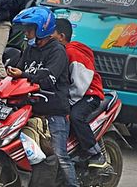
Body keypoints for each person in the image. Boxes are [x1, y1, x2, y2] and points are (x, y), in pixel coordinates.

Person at [7, 7, 79, 187]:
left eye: (29, 29)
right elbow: (19, 71)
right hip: (31, 108)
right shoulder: (30, 49)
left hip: (54, 110)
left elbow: (48, 79)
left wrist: (23, 74)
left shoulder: (57, 51)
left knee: (60, 156)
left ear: (42, 29)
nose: (26, 33)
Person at [52, 18, 108, 168]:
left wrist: (66, 103)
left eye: (51, 33)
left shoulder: (73, 53)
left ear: (61, 36)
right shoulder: (56, 52)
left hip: (89, 95)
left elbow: (79, 86)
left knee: (75, 117)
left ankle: (95, 153)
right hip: (73, 94)